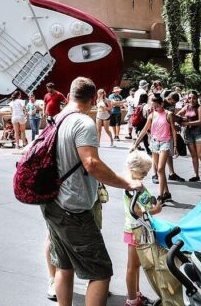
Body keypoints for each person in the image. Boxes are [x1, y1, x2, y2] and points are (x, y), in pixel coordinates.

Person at [40, 77, 143, 306]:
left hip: (52, 202)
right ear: (92, 98)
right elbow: (91, 163)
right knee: (100, 272)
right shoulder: (82, 123)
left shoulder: (57, 119)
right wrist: (126, 182)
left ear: (69, 94)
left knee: (64, 266)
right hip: (73, 208)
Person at [123, 151, 162, 306]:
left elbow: (145, 201)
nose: (146, 174)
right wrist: (154, 210)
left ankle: (136, 295)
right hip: (135, 229)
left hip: (141, 228)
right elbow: (137, 211)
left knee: (137, 265)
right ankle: (132, 301)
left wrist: (153, 203)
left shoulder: (137, 182)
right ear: (133, 169)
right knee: (132, 266)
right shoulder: (131, 185)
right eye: (143, 171)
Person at [132, 95, 177, 202]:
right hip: (154, 143)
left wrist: (175, 146)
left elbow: (174, 130)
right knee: (158, 170)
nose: (154, 108)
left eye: (156, 106)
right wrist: (135, 144)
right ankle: (167, 193)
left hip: (165, 142)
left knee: (160, 169)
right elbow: (144, 130)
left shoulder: (168, 114)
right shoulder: (152, 115)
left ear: (161, 104)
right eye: (153, 106)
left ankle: (160, 196)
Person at [178, 91, 201, 182]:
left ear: (197, 98)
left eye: (193, 98)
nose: (191, 100)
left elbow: (200, 121)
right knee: (193, 155)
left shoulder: (200, 107)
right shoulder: (186, 107)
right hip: (188, 132)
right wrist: (179, 119)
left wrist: (186, 123)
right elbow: (178, 114)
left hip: (199, 132)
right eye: (189, 98)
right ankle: (196, 175)